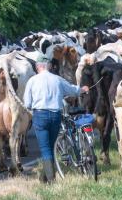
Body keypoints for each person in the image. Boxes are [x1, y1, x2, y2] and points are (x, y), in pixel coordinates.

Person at [23, 53, 89, 183]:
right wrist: (82, 89)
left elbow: (27, 104)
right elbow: (72, 90)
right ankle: (44, 178)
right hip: (55, 115)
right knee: (51, 146)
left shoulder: (32, 81)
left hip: (40, 115)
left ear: (37, 67)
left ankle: (52, 181)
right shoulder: (57, 79)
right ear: (49, 66)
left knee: (45, 148)